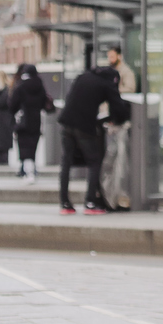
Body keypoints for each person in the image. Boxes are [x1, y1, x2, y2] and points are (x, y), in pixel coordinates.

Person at [57, 63, 131, 215]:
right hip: (84, 125)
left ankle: (65, 204)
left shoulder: (84, 76)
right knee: (94, 161)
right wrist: (118, 118)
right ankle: (90, 202)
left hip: (66, 122)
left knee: (66, 162)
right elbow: (118, 107)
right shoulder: (108, 83)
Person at [101, 43, 135, 209]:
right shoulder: (108, 73)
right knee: (109, 162)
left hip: (120, 122)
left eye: (112, 56)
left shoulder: (126, 72)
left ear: (119, 56)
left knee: (119, 161)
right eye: (109, 56)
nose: (110, 59)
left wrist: (115, 92)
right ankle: (109, 195)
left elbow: (130, 90)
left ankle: (119, 196)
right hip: (108, 121)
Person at [10, 64, 55, 183]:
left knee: (23, 146)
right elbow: (43, 103)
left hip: (23, 122)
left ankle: (27, 171)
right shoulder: (40, 86)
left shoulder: (20, 86)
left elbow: (12, 105)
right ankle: (32, 168)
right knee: (33, 146)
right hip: (36, 121)